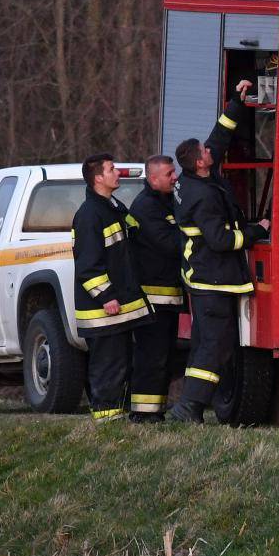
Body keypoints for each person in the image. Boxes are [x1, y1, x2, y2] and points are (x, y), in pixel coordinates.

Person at [168, 81, 269, 424]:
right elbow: (222, 240)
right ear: (199, 163)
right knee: (215, 347)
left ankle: (189, 405)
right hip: (213, 281)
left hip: (204, 279)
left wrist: (235, 104)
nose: (210, 152)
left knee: (205, 345)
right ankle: (189, 406)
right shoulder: (203, 197)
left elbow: (218, 138)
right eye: (205, 152)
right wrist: (258, 231)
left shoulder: (192, 178)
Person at [71, 153, 149, 422]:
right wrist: (106, 297)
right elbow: (87, 266)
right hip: (102, 311)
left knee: (121, 362)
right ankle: (106, 418)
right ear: (98, 178)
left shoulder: (112, 208)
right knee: (107, 364)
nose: (118, 172)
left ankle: (117, 415)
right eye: (112, 169)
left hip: (118, 307)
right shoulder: (89, 215)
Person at [126, 154, 184, 422]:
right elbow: (169, 244)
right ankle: (142, 414)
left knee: (164, 357)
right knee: (152, 357)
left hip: (167, 298)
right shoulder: (146, 207)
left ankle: (154, 413)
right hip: (152, 299)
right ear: (153, 178)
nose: (175, 177)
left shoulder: (165, 202)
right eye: (169, 173)